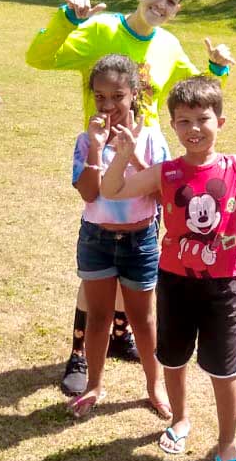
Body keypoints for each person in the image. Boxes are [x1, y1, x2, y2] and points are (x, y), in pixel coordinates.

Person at [25, 0, 236, 398]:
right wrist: (67, 20)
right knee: (101, 259)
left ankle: (122, 336)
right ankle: (80, 354)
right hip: (102, 150)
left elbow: (195, 92)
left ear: (177, 10)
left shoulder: (168, 45)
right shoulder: (101, 29)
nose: (161, 5)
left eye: (172, 2)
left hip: (147, 157)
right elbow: (39, 57)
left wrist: (218, 70)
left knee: (137, 257)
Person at [101, 77, 236, 461]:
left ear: (220, 122)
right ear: (173, 126)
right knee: (173, 358)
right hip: (175, 281)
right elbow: (113, 190)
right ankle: (179, 420)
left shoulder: (235, 166)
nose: (193, 129)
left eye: (202, 119)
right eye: (184, 121)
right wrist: (123, 155)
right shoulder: (165, 172)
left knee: (223, 368)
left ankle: (228, 442)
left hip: (223, 284)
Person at [67, 55, 170, 420]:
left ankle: (155, 386)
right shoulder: (86, 140)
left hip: (140, 241)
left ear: (134, 95)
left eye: (117, 96)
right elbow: (88, 193)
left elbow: (163, 194)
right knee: (98, 317)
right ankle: (94, 385)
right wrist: (97, 148)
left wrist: (134, 156)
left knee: (143, 320)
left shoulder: (152, 138)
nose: (108, 105)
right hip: (96, 240)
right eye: (100, 96)